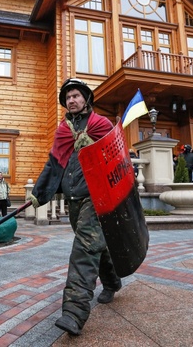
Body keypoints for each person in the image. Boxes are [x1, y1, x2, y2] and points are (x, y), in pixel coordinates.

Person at [29, 78, 122, 336]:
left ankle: (74, 312)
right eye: (68, 97)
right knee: (94, 246)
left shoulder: (101, 125)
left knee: (84, 248)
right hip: (74, 201)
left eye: (76, 96)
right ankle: (113, 281)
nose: (71, 100)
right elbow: (54, 164)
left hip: (97, 198)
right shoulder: (62, 131)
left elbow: (117, 158)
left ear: (86, 99)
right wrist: (39, 194)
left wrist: (91, 144)